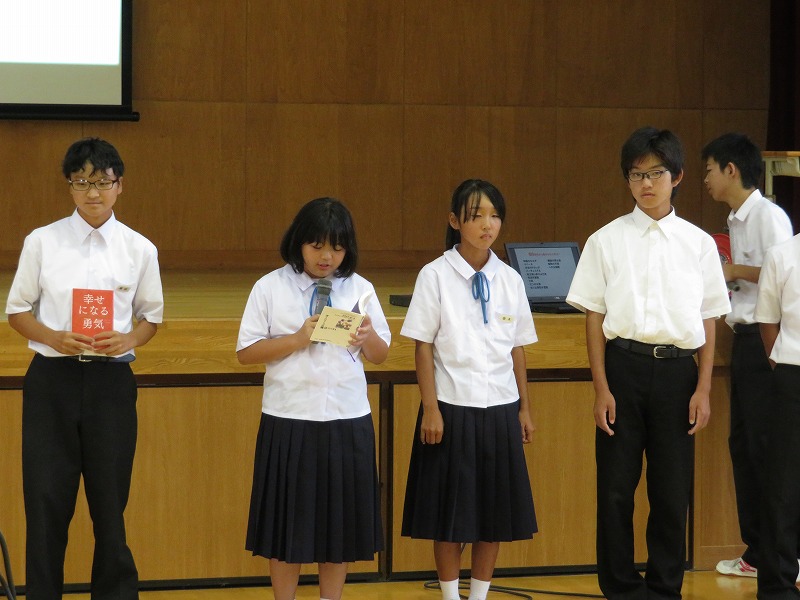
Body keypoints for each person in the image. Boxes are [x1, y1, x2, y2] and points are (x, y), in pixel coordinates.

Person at [566, 127, 730, 600]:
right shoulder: (605, 240)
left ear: (677, 176)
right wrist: (601, 387)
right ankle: (620, 588)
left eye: (656, 173)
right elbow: (594, 317)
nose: (646, 184)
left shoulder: (699, 244)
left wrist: (703, 388)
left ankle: (664, 588)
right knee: (615, 490)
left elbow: (708, 319)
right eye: (636, 175)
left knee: (671, 492)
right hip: (623, 368)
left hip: (679, 375)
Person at [5, 138, 164, 600]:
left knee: (110, 505)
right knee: (45, 502)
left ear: (120, 186)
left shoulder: (140, 248)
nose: (92, 193)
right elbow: (17, 311)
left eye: (102, 182)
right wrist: (53, 336)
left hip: (110, 383)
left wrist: (129, 339)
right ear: (69, 187)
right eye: (81, 182)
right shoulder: (42, 241)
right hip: (51, 382)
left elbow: (151, 317)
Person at [236, 197, 390, 600]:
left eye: (337, 248)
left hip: (346, 419)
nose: (326, 257)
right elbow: (246, 353)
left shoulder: (360, 288)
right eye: (317, 245)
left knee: (338, 528)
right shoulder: (270, 286)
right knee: (286, 527)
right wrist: (297, 339)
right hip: (289, 419)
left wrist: (367, 335)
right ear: (298, 242)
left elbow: (380, 354)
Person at [400, 179, 538, 600]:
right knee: (449, 516)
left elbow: (517, 348)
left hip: (500, 408)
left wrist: (524, 408)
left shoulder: (510, 279)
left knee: (493, 517)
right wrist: (430, 408)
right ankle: (450, 596)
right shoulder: (435, 275)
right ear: (455, 221)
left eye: (494, 216)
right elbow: (423, 346)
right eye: (476, 216)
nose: (487, 225)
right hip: (451, 407)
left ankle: (478, 595)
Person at [701, 133, 793, 579]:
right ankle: (758, 551)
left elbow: (786, 273)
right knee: (744, 446)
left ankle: (781, 553)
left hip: (766, 342)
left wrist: (731, 271)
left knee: (765, 447)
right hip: (744, 339)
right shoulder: (735, 219)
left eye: (709, 170)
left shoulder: (768, 216)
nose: (705, 180)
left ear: (731, 170)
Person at [754, 234, 800, 599]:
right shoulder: (782, 255)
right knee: (783, 484)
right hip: (792, 373)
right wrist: (781, 365)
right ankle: (777, 587)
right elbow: (767, 321)